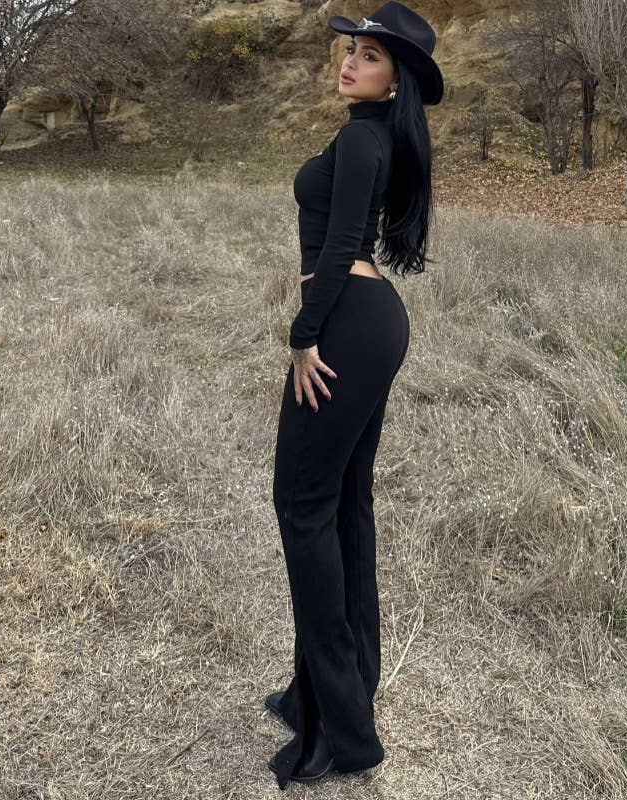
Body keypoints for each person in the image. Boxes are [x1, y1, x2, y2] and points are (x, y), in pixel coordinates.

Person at [265, 1, 444, 790]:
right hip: (371, 322)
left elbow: (340, 246)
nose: (350, 62)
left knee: (302, 508)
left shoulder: (362, 139)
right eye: (351, 50)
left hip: (345, 324)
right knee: (343, 508)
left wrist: (303, 334)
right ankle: (327, 694)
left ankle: (342, 729)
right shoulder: (375, 137)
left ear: (395, 81)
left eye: (371, 57)